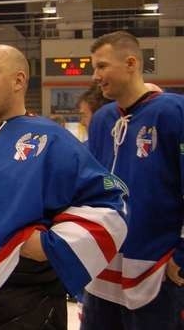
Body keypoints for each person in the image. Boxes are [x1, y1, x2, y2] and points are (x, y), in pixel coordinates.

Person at [0, 44, 128, 330]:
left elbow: (109, 206)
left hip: (19, 301)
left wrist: (47, 246)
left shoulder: (53, 140)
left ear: (18, 81)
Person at [82, 31, 184, 329]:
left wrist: (182, 254)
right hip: (103, 269)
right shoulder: (102, 119)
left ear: (130, 63)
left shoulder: (174, 112)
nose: (95, 76)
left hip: (157, 268)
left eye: (101, 66)